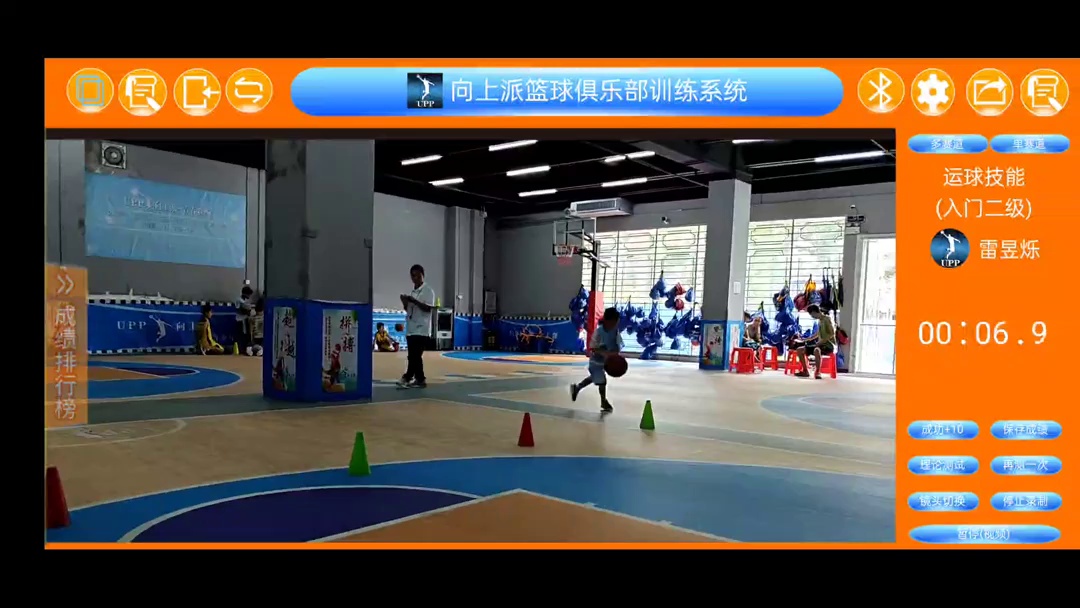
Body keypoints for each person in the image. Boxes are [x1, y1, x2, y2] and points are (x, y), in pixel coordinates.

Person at [569, 307, 623, 413]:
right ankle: (603, 402)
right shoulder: (599, 332)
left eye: (616, 323)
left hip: (605, 362)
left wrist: (615, 356)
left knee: (594, 378)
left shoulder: (615, 332)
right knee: (602, 381)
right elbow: (593, 347)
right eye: (613, 322)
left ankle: (577, 388)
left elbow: (618, 346)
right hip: (595, 361)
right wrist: (605, 353)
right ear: (607, 321)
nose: (615, 324)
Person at [397, 264, 436, 389]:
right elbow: (409, 310)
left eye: (418, 276)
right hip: (411, 328)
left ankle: (409, 377)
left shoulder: (428, 291)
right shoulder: (413, 292)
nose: (416, 279)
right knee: (412, 356)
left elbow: (428, 308)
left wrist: (414, 301)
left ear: (423, 276)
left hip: (422, 329)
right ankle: (418, 378)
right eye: (413, 276)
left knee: (415, 355)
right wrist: (405, 303)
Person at [794, 304, 836, 379]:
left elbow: (832, 333)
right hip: (820, 344)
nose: (812, 316)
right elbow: (818, 333)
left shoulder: (827, 319)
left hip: (828, 345)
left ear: (814, 312)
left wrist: (822, 341)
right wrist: (808, 339)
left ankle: (818, 372)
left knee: (817, 350)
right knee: (799, 350)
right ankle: (805, 371)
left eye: (811, 314)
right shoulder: (820, 321)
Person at [235, 285, 255, 356]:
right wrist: (247, 311)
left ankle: (245, 350)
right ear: (245, 293)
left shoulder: (245, 301)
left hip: (245, 320)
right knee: (242, 335)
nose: (249, 296)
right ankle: (241, 350)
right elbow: (240, 310)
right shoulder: (239, 300)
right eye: (248, 294)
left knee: (246, 335)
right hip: (240, 320)